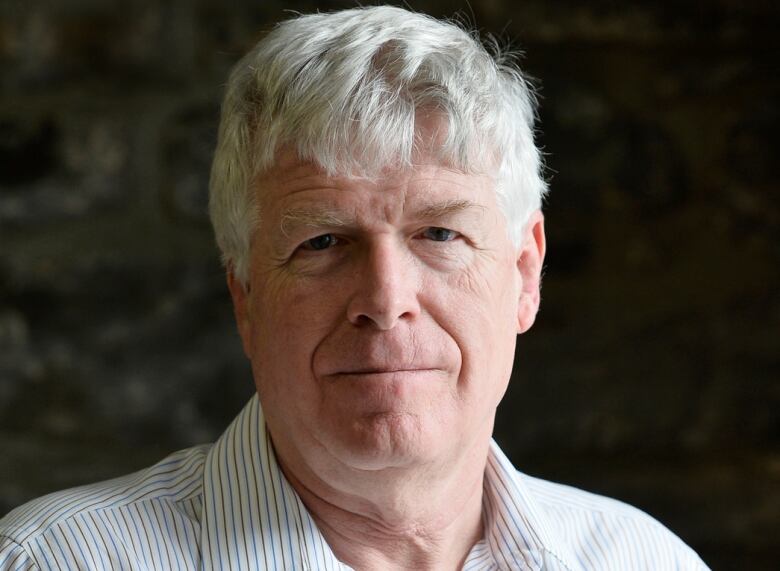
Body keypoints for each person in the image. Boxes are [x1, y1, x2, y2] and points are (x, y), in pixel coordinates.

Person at [0, 6, 709, 570]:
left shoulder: (646, 558)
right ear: (245, 295)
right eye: (322, 242)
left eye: (439, 234)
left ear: (524, 274)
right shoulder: (52, 560)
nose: (386, 297)